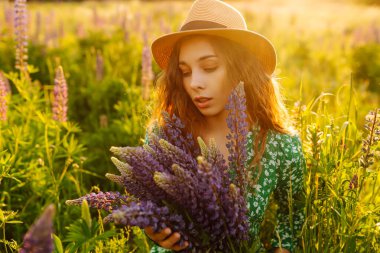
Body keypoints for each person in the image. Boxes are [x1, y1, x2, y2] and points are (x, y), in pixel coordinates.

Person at [144, 0, 305, 252]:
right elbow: (149, 206)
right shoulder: (164, 135)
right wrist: (153, 231)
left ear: (242, 68)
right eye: (185, 71)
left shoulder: (278, 144)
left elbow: (293, 215)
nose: (195, 82)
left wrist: (282, 248)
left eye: (209, 67)